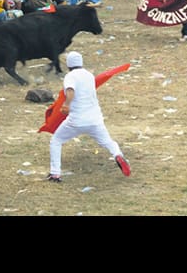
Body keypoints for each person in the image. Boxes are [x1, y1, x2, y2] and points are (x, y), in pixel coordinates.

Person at [47, 51, 131, 182]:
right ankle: (118, 155)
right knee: (108, 142)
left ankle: (55, 173)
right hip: (95, 119)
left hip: (76, 120)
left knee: (56, 141)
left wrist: (67, 104)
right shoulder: (89, 75)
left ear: (69, 64)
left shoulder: (70, 76)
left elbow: (70, 90)